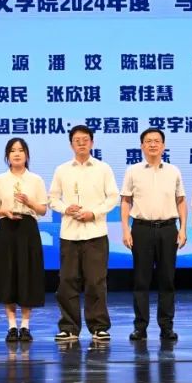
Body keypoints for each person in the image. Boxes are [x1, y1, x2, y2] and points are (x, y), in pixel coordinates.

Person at [48, 125, 120, 342]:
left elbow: (113, 197)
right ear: (71, 144)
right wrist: (65, 209)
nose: (81, 143)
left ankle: (99, 327)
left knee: (96, 281)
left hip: (95, 232)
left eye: (85, 139)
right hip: (70, 234)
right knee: (67, 281)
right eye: (77, 140)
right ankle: (69, 327)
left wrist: (93, 213)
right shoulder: (62, 170)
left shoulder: (103, 168)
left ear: (92, 142)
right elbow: (53, 199)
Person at [120, 128, 187, 341]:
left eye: (157, 141)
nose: (152, 144)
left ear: (163, 146)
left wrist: (183, 228)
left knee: (167, 280)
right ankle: (140, 327)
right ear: (142, 146)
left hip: (168, 229)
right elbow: (125, 201)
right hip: (141, 229)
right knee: (141, 280)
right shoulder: (133, 171)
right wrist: (125, 229)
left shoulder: (173, 171)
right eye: (148, 141)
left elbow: (181, 200)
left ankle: (166, 327)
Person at [0, 138, 48, 343]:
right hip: (7, 227)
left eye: (21, 150)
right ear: (7, 156)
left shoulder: (36, 180)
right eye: (13, 151)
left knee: (27, 274)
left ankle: (25, 325)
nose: (17, 154)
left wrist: (29, 202)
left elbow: (43, 210)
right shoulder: (0, 180)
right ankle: (12, 325)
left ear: (27, 155)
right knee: (8, 275)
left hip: (28, 228)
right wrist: (4, 211)